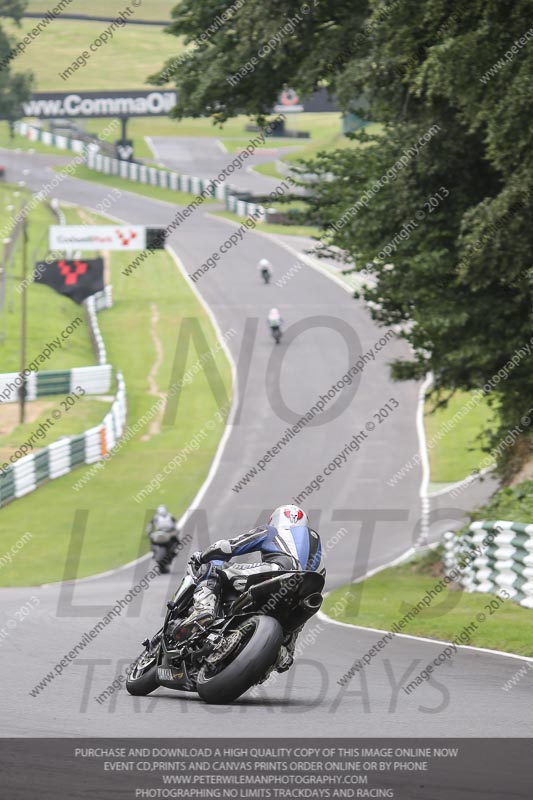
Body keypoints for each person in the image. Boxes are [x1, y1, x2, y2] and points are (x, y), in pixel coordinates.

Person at [175, 505, 325, 672]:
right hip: (306, 594)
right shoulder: (317, 546)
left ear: (276, 520)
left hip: (276, 572)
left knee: (213, 567)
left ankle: (203, 610)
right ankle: (282, 653)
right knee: (291, 633)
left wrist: (202, 556)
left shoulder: (272, 531)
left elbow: (229, 547)